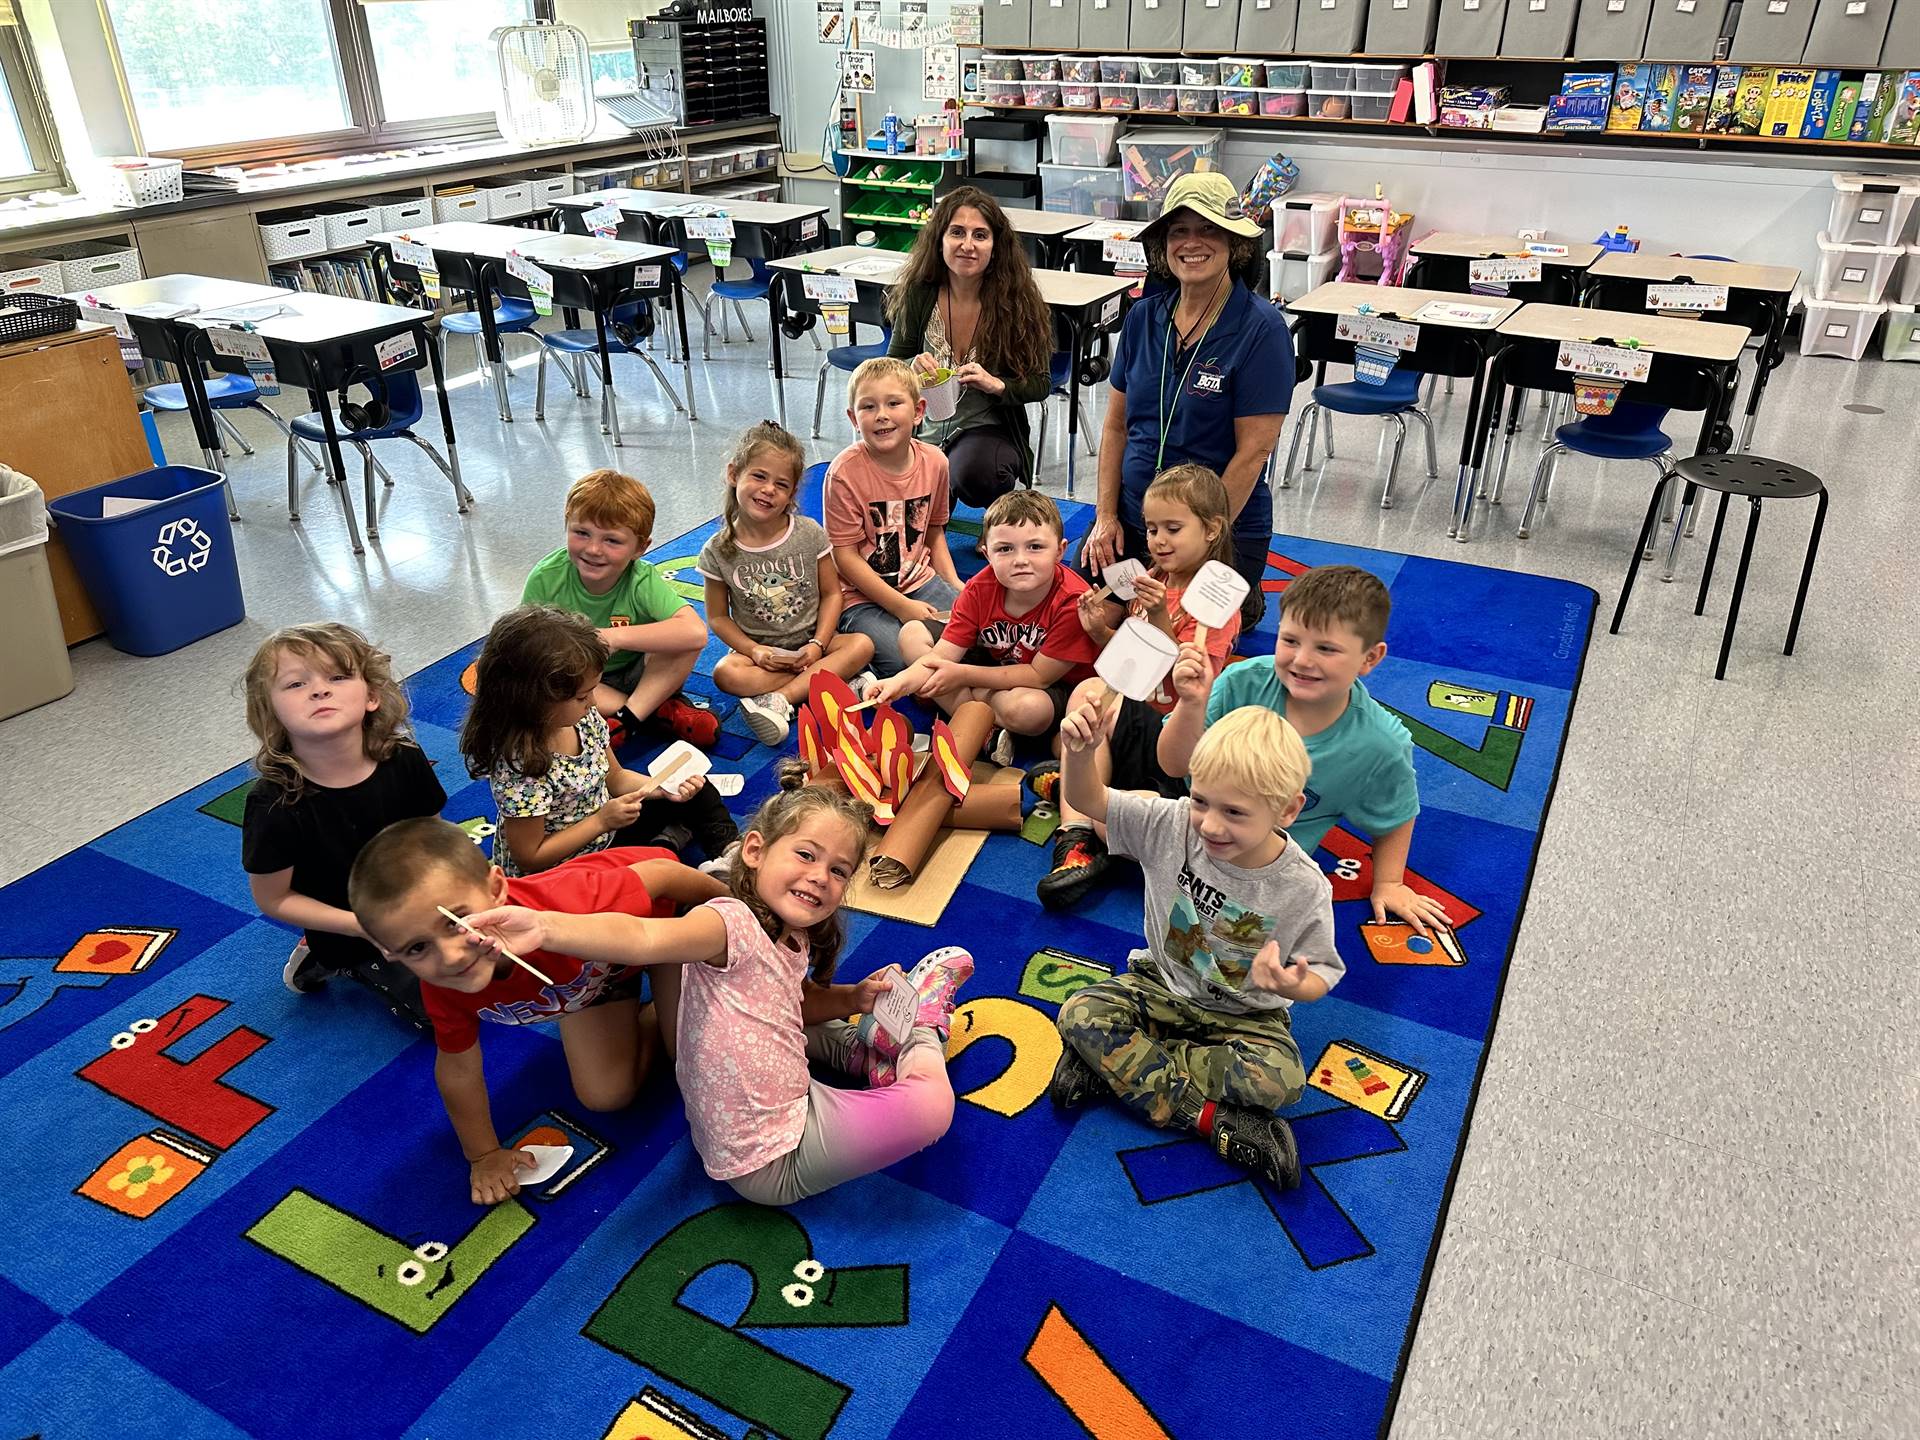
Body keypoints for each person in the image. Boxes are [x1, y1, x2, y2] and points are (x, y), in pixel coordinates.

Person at [458, 769, 976, 1207]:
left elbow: (793, 1004)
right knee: (931, 1109)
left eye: (838, 871)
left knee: (812, 1021)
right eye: (805, 855)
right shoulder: (727, 923)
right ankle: (924, 1030)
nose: (820, 877)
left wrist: (852, 999)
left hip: (785, 1097)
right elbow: (639, 935)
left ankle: (872, 1058)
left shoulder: (789, 935)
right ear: (754, 850)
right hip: (773, 1159)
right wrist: (547, 927)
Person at [347, 817, 726, 1205]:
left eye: (457, 923)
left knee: (692, 1058)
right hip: (596, 980)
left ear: (496, 889)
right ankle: (654, 1013)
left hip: (666, 924)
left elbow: (661, 874)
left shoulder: (566, 901)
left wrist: (737, 907)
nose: (450, 957)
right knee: (606, 1095)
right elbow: (458, 1066)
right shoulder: (444, 986)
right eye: (416, 948)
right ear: (389, 954)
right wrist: (483, 1154)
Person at [1050, 704, 1342, 1190]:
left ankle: (1121, 1065)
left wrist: (1296, 983)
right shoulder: (1171, 822)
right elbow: (1090, 799)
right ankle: (1208, 1119)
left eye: (1235, 813)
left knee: (1282, 1079)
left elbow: (1324, 973)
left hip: (1245, 1017)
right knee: (1081, 1011)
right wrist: (1079, 754)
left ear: (1287, 811)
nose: (1209, 825)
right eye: (1201, 800)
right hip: (1158, 985)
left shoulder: (1303, 887)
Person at [1158, 564, 1450, 933]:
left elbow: (1398, 813)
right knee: (1094, 710)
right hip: (1189, 799)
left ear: (1370, 659)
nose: (1302, 660)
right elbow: (1171, 765)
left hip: (1253, 855)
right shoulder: (1242, 680)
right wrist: (1191, 704)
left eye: (1326, 648)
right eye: (1290, 640)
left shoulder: (1380, 744)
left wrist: (1389, 883)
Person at [1078, 170, 1295, 632]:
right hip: (1139, 522)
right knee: (1091, 616)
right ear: (1163, 245)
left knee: (1170, 639)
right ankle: (1216, 596)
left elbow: (1254, 450)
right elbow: (1115, 427)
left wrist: (1194, 551)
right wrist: (1106, 515)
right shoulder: (1142, 318)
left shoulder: (1263, 330)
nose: (1192, 243)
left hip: (1215, 530)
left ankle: (1239, 593)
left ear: (1235, 243)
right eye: (1179, 230)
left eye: (1208, 229)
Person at [1035, 464, 1241, 910]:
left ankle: (1085, 795)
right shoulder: (1154, 579)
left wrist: (1163, 615)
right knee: (1088, 694)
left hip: (1174, 745)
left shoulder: (1216, 607)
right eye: (1151, 529)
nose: (1159, 540)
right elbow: (1137, 661)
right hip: (1135, 719)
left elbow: (1187, 681)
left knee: (1121, 829)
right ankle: (1076, 835)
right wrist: (1100, 635)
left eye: (1173, 528)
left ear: (1211, 530)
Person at [241, 622, 445, 1028]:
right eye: (296, 684)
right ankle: (321, 958)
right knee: (439, 1016)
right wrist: (361, 926)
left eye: (338, 676)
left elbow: (432, 840)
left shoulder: (404, 759)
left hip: (410, 898)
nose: (319, 690)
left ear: (371, 696)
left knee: (491, 971)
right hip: (347, 926)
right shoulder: (274, 803)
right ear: (272, 711)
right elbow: (273, 899)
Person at [461, 606, 738, 875]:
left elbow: (616, 778)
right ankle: (666, 842)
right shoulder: (522, 766)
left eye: (592, 690)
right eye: (582, 696)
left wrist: (662, 790)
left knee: (698, 789)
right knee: (658, 875)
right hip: (565, 869)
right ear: (533, 700)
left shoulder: (583, 718)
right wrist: (600, 822)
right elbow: (530, 858)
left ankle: (730, 856)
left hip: (607, 827)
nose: (593, 702)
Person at [863, 488, 1097, 762]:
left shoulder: (1072, 601)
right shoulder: (979, 588)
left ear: (1060, 551)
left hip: (1045, 684)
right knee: (912, 633)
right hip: (993, 666)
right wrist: (897, 682)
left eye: (1035, 547)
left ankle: (962, 709)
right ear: (986, 554)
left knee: (1030, 711)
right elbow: (941, 657)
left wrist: (961, 676)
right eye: (1005, 549)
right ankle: (984, 729)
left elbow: (1038, 675)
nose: (1020, 560)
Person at [699, 419, 876, 748]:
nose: (769, 489)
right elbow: (718, 618)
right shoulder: (717, 550)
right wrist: (755, 650)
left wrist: (819, 645)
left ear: (792, 493)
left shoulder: (808, 533)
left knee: (861, 645)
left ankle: (779, 699)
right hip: (760, 655)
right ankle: (831, 681)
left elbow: (831, 594)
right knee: (725, 673)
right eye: (759, 476)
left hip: (814, 642)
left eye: (781, 484)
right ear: (734, 473)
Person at [522, 467, 719, 748]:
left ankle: (627, 720)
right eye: (581, 533)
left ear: (640, 548)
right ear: (567, 525)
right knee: (537, 678)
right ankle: (656, 713)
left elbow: (696, 634)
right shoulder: (546, 577)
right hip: (579, 683)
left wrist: (612, 637)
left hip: (642, 672)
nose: (593, 549)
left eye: (611, 540)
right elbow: (525, 652)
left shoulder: (640, 578)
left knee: (681, 641)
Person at [885, 186, 1054, 506]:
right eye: (957, 232)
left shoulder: (1017, 302)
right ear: (940, 239)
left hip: (985, 431)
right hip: (922, 431)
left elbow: (1040, 383)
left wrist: (997, 385)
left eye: (980, 235)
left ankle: (994, 509)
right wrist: (911, 367)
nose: (967, 245)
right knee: (908, 533)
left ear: (995, 245)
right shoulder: (920, 293)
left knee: (973, 471)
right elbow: (893, 363)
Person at [826, 356, 964, 678]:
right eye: (868, 407)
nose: (882, 416)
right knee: (903, 662)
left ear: (918, 412)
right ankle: (846, 652)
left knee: (972, 633)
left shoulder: (936, 463)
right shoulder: (844, 474)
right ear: (853, 418)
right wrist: (901, 608)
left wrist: (955, 584)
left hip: (919, 580)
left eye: (893, 403)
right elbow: (844, 557)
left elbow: (933, 532)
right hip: (859, 597)